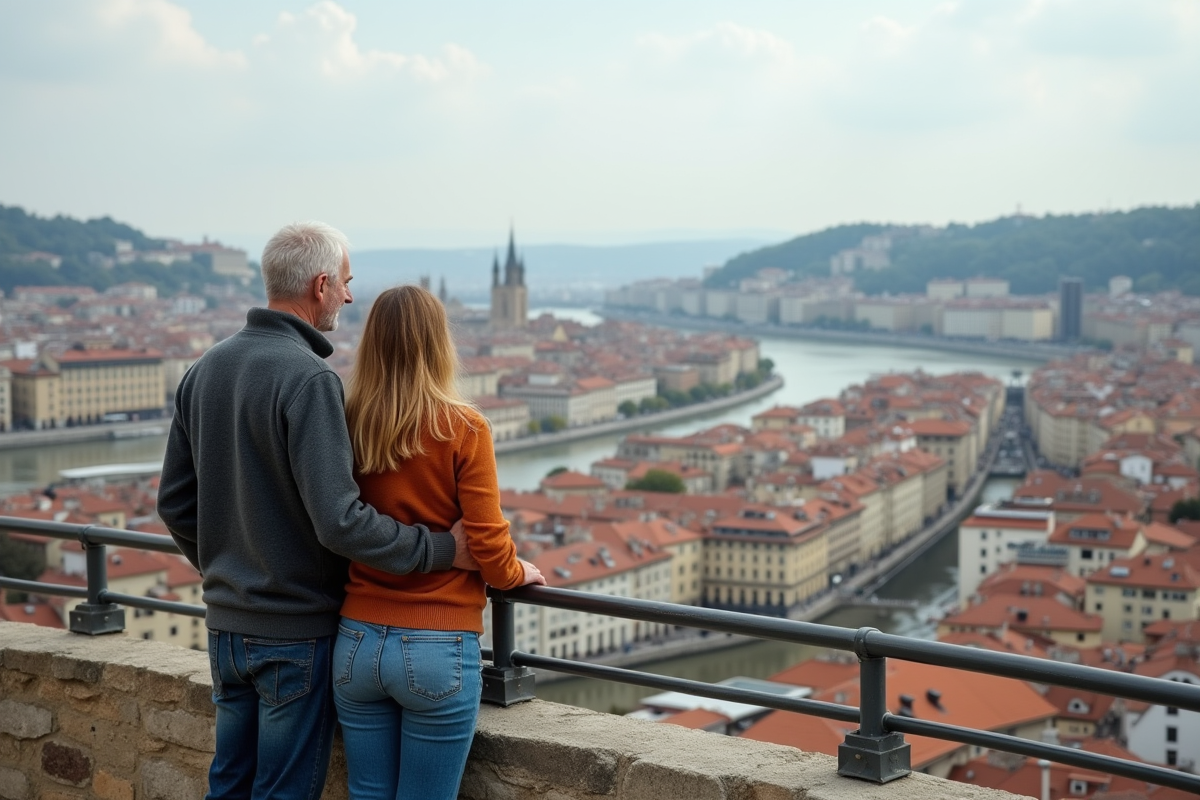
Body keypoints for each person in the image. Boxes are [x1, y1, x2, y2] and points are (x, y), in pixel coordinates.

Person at [157, 222, 476, 800]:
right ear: (321, 284)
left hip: (227, 624)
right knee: (282, 791)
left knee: (227, 783)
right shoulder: (308, 378)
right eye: (347, 283)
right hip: (294, 631)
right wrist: (443, 548)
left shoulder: (204, 368)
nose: (351, 297)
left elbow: (174, 504)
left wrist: (231, 568)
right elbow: (340, 521)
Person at [334, 285, 545, 800]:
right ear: (439, 343)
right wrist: (518, 574)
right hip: (437, 642)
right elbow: (490, 548)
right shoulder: (464, 427)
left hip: (356, 641)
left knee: (367, 793)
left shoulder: (347, 419)